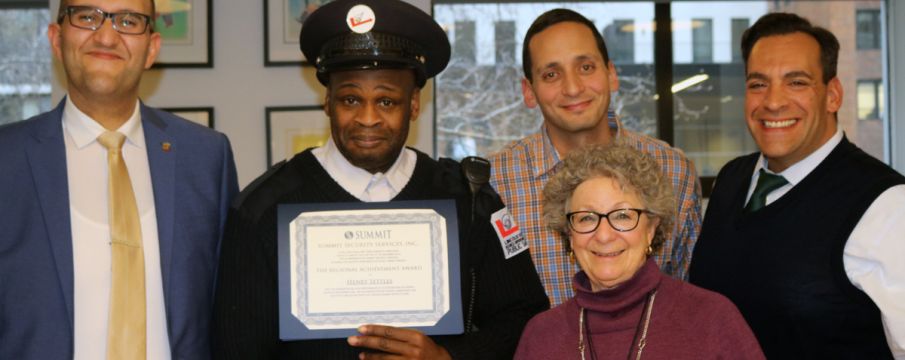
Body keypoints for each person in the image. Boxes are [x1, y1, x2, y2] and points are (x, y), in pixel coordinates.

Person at [211, 0, 549, 359]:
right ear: (327, 102)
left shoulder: (468, 198)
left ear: (414, 104)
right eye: (350, 99)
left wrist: (449, 358)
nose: (367, 118)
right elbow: (236, 348)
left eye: (387, 101)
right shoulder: (262, 209)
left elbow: (525, 317)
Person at [0, 0, 239, 359]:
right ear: (55, 38)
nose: (107, 35)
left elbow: (234, 304)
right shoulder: (7, 158)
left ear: (151, 49)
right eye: (87, 17)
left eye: (128, 21)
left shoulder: (207, 157)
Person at [689, 13, 905, 359]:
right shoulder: (731, 180)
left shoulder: (887, 206)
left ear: (833, 95)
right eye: (758, 84)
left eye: (797, 82)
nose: (773, 102)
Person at [489, 8, 702, 307]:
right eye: (551, 74)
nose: (573, 87)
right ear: (529, 91)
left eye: (586, 67)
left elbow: (686, 297)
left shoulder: (673, 171)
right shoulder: (495, 183)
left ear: (611, 74)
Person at [514, 144, 763, 359]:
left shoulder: (712, 319)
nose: (603, 235)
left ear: (651, 228)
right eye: (587, 218)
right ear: (569, 233)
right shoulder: (540, 336)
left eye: (622, 215)